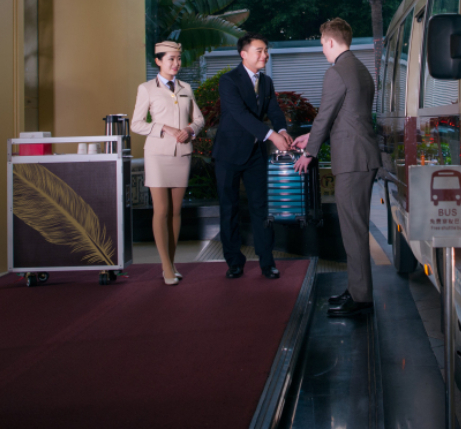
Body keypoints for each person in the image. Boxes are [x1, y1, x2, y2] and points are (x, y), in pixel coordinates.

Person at [293, 18, 381, 317]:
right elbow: (346, 117)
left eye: (322, 44)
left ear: (330, 42)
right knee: (355, 228)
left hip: (353, 160)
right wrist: (312, 137)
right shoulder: (360, 68)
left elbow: (325, 115)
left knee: (353, 230)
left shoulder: (336, 71)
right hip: (361, 156)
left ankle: (361, 297)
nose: (322, 50)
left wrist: (309, 152)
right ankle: (357, 289)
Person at [213, 34, 292, 280]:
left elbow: (274, 110)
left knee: (262, 208)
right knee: (229, 209)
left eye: (265, 50)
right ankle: (234, 262)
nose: (264, 55)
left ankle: (267, 262)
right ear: (243, 54)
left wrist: (282, 130)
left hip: (255, 154)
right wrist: (272, 136)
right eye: (259, 51)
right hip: (228, 154)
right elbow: (240, 114)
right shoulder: (228, 80)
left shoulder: (266, 82)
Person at [131, 41, 205, 285]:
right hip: (157, 154)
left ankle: (171, 264)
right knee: (161, 210)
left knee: (175, 211)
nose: (176, 63)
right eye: (171, 59)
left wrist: (189, 130)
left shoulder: (186, 88)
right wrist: (164, 127)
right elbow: (137, 123)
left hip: (182, 154)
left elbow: (199, 120)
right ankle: (166, 267)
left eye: (178, 58)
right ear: (158, 61)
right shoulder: (146, 89)